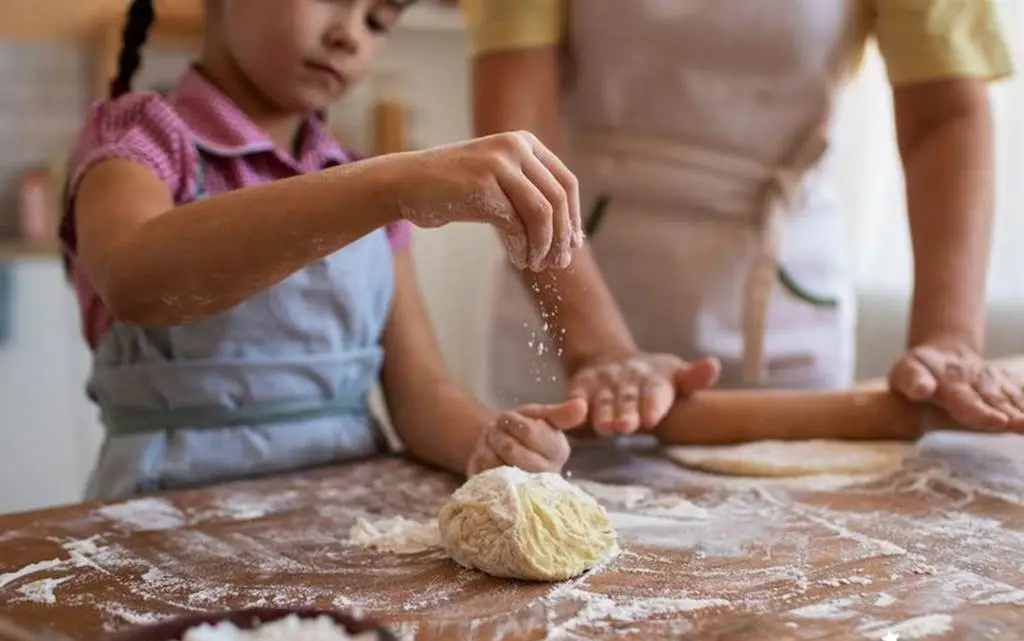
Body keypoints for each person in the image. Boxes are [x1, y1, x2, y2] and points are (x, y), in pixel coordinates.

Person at [59, 0, 588, 501]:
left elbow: (422, 395)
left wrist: (489, 440)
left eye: (377, 20)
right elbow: (137, 280)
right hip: (160, 515)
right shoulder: (143, 138)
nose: (348, 35)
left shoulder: (358, 176)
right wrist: (389, 183)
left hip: (346, 522)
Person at [464, 0, 1024, 438]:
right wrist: (597, 349)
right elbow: (519, 133)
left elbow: (943, 117)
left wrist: (949, 340)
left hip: (783, 293)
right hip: (572, 275)